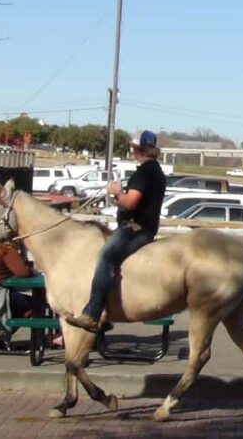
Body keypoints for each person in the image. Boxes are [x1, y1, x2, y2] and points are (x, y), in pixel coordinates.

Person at [66, 130, 167, 333]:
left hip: (135, 229)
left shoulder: (144, 172)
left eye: (133, 147)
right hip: (143, 227)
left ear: (138, 149)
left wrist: (116, 192)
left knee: (105, 256)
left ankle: (92, 314)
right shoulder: (154, 171)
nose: (131, 149)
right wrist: (119, 197)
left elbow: (130, 202)